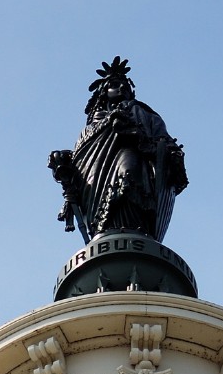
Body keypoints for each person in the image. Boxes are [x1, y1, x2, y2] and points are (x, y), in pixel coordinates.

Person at [50, 57, 188, 242]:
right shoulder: (89, 129)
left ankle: (133, 229)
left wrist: (136, 134)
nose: (122, 88)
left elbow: (164, 144)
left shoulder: (143, 113)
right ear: (103, 93)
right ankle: (105, 232)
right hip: (94, 183)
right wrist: (64, 161)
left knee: (128, 173)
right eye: (115, 85)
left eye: (126, 85)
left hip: (132, 156)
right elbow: (82, 160)